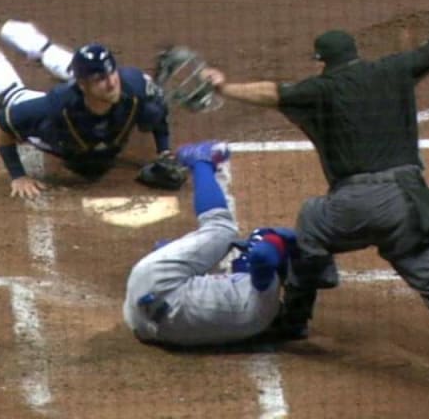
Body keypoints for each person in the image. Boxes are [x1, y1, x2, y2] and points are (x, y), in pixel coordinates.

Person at [201, 0, 429, 412]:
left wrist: (225, 87)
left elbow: (273, 92)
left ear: (322, 63)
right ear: (356, 54)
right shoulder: (394, 70)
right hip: (407, 205)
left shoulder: (319, 89)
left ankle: (295, 316)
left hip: (349, 207)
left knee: (310, 220)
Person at [0, 2, 182, 199]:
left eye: (111, 73)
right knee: (10, 96)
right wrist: (18, 176)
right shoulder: (57, 105)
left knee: (144, 106)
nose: (111, 82)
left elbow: (157, 113)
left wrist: (164, 152)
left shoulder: (133, 86)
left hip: (87, 107)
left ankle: (37, 44)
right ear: (81, 84)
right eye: (99, 78)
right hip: (60, 125)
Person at [124, 141, 300, 347]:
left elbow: (262, 256)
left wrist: (277, 238)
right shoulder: (258, 320)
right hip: (149, 328)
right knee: (207, 271)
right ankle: (172, 257)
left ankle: (201, 161)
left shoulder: (265, 289)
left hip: (153, 286)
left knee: (221, 229)